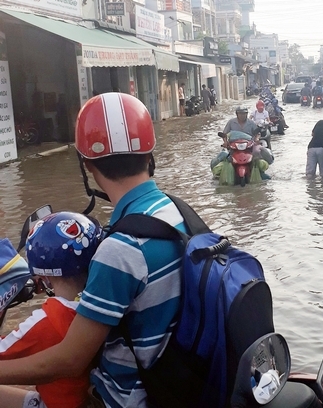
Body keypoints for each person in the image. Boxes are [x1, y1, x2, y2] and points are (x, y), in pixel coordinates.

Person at [0, 93, 188, 408]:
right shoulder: (175, 211)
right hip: (174, 377)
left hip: (125, 400)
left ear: (86, 164)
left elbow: (69, 361)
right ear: (149, 154)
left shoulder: (121, 249)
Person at [0, 211, 102, 408]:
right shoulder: (97, 306)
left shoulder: (47, 321)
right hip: (84, 400)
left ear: (42, 272)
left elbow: (3, 351)